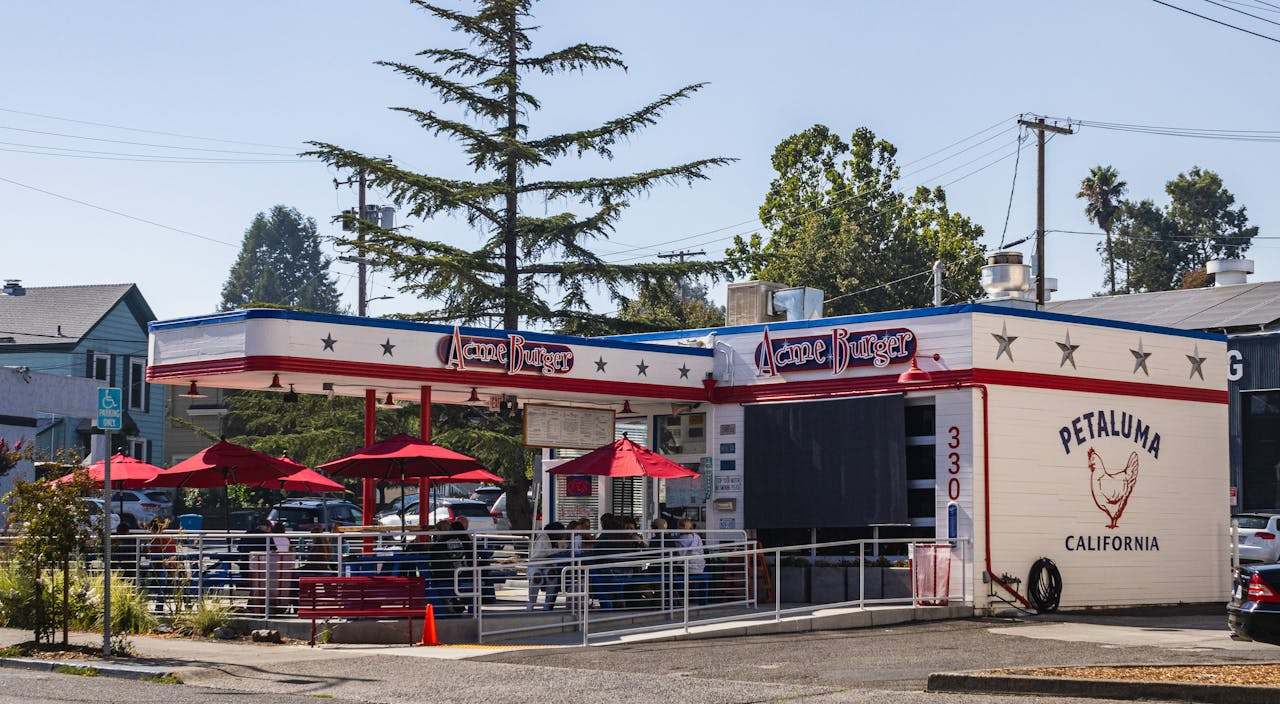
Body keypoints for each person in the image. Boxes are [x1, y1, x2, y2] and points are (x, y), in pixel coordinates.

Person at [527, 522, 568, 611]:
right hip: (535, 564)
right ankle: (531, 603)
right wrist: (558, 550)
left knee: (552, 575)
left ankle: (548, 605)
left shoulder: (560, 540)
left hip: (548, 565)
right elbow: (543, 552)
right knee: (537, 576)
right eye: (562, 531)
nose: (563, 533)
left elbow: (566, 548)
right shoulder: (543, 537)